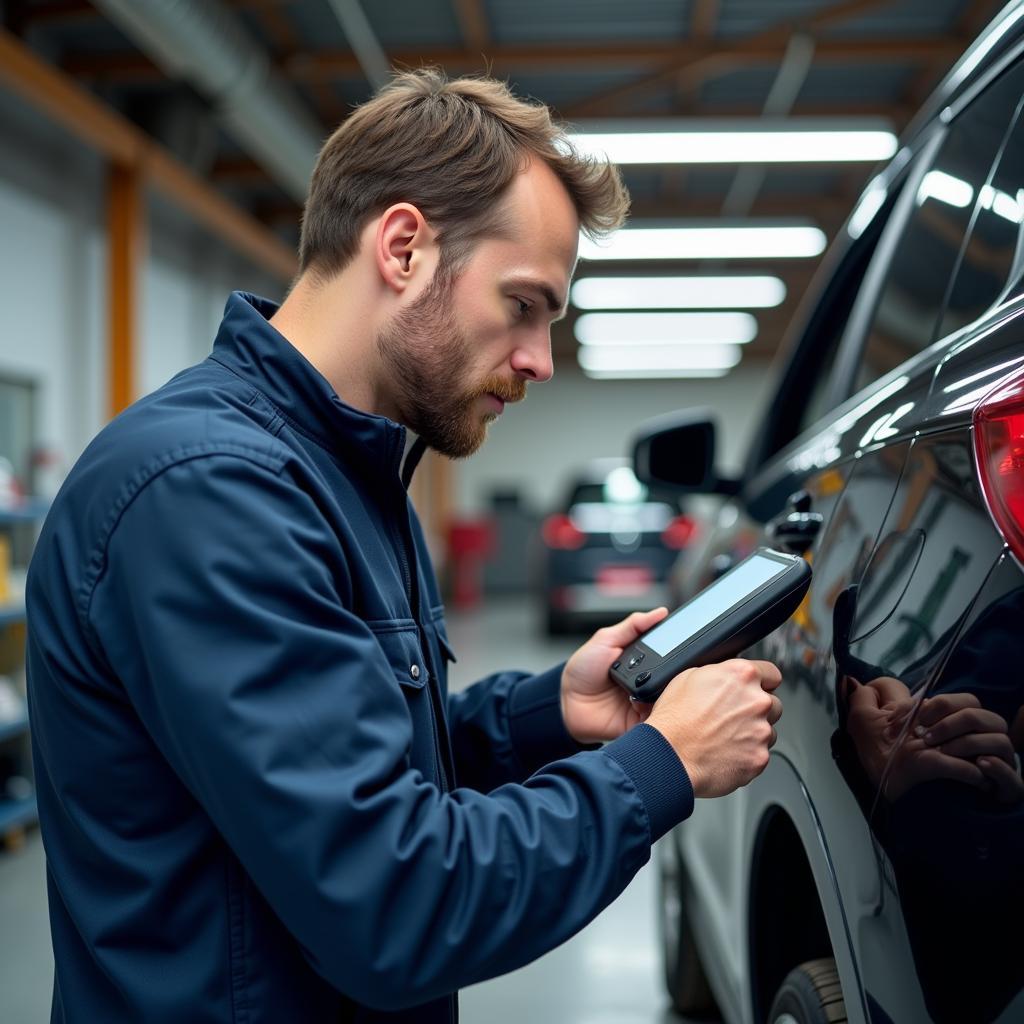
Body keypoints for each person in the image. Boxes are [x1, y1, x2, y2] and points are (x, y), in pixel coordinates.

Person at [26, 70, 783, 1024]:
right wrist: (661, 765)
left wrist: (548, 712)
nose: (541, 360)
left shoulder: (347, 473)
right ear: (404, 246)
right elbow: (396, 906)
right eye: (524, 304)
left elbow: (360, 763)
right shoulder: (209, 491)